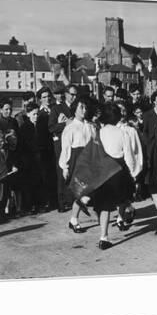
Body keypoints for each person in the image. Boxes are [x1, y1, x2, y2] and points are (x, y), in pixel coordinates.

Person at [92, 104, 136, 249]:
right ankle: (124, 216)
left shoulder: (100, 132)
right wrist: (133, 173)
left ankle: (103, 237)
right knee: (123, 197)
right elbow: (129, 156)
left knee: (104, 205)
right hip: (119, 168)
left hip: (103, 169)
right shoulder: (122, 133)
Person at [59, 97, 97, 233]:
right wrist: (65, 167)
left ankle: (75, 218)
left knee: (88, 192)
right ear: (74, 109)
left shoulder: (90, 126)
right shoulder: (70, 128)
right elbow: (66, 148)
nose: (84, 110)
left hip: (90, 159)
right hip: (77, 161)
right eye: (81, 107)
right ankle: (74, 219)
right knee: (81, 193)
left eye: (85, 107)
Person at [49, 85, 78, 212]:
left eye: (75, 95)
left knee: (73, 172)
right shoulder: (57, 109)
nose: (73, 97)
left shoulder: (77, 108)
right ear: (65, 94)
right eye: (71, 94)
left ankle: (73, 200)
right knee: (61, 173)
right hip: (61, 145)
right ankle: (61, 202)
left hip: (75, 145)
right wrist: (65, 124)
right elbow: (51, 128)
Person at [0, 130, 18, 224]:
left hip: (4, 178)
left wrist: (12, 167)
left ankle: (0, 216)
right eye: (0, 141)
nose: (2, 143)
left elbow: (6, 163)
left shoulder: (1, 151)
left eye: (3, 141)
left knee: (3, 198)